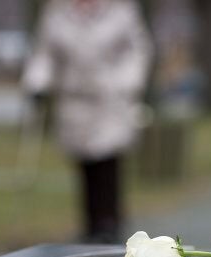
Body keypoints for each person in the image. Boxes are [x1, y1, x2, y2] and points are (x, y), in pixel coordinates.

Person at [22, 0, 152, 242]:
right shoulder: (56, 13)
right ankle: (91, 225)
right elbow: (44, 54)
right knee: (85, 164)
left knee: (108, 160)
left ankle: (110, 223)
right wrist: (37, 83)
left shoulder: (121, 10)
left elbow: (137, 49)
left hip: (110, 100)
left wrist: (129, 82)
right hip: (74, 101)